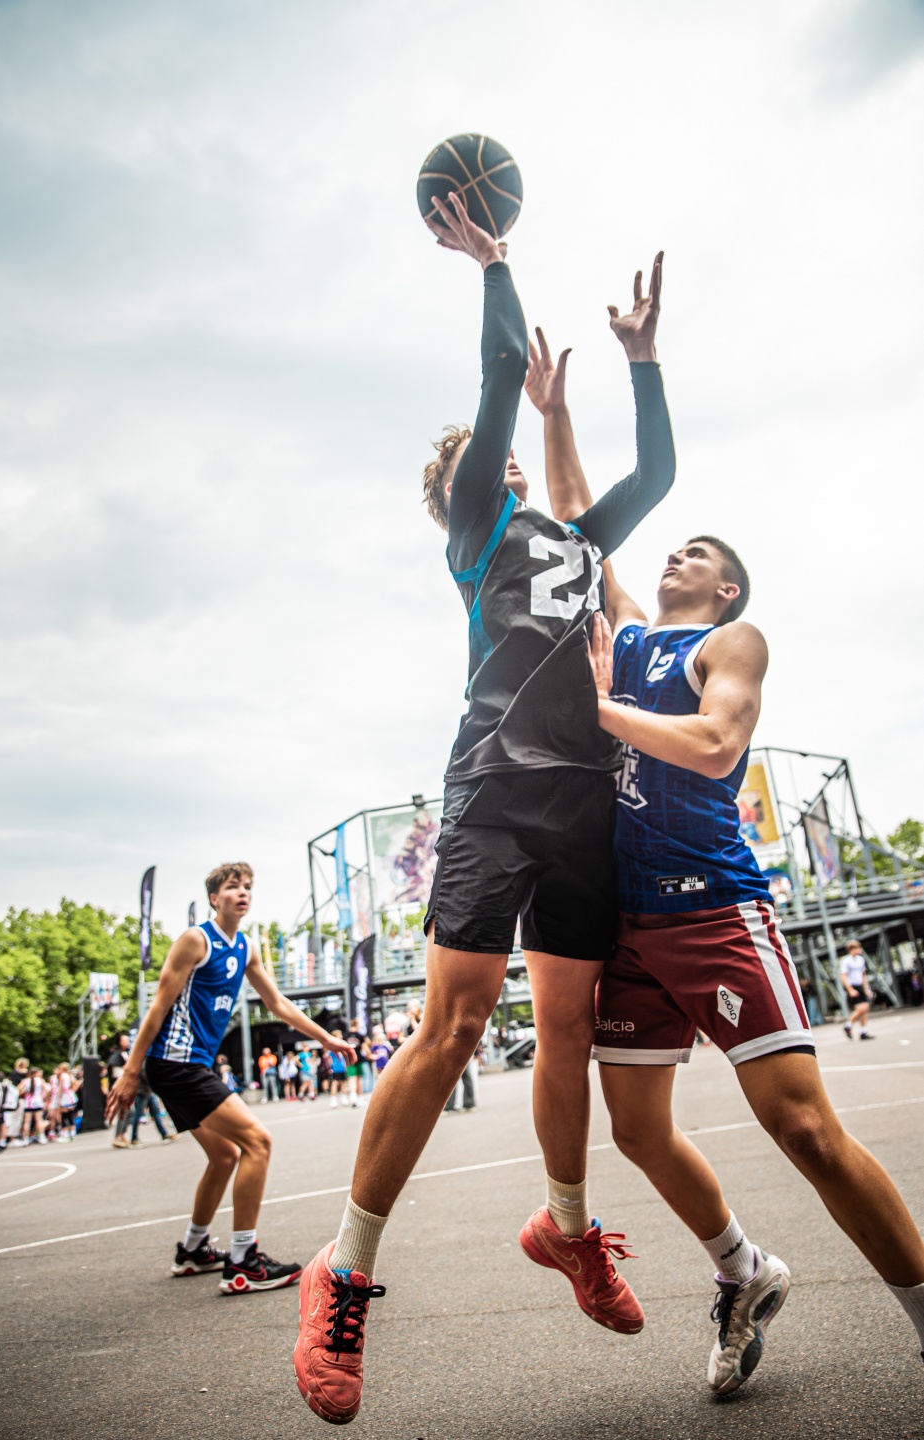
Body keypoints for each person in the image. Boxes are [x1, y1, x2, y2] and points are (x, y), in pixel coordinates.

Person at [293, 193, 675, 1427]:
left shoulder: (575, 539)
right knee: (453, 1025)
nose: (504, 459)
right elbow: (500, 375)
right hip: (497, 794)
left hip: (583, 808)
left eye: (505, 455)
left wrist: (641, 362)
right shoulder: (475, 537)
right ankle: (343, 1271)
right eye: (485, 457)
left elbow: (659, 474)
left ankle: (566, 1228)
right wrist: (495, 266)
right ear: (460, 488)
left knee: (565, 1029)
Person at [534, 364, 924, 1396]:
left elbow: (714, 748)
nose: (676, 553)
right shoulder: (624, 636)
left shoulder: (727, 642)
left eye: (698, 552)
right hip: (626, 926)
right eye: (674, 547)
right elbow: (581, 527)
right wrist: (555, 412)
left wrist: (595, 711)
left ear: (726, 588)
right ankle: (744, 1271)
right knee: (636, 1130)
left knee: (803, 1128)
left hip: (711, 908)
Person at [105, 861, 355, 1294]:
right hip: (176, 1064)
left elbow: (277, 1003)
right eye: (233, 886)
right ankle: (243, 1263)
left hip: (191, 1065)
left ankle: (193, 1249)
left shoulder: (246, 947)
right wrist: (130, 1072)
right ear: (214, 898)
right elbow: (158, 1005)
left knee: (224, 1156)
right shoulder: (195, 940)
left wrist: (325, 1038)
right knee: (258, 1142)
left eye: (248, 886)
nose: (242, 892)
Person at [129, 1065, 176, 1145]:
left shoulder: (145, 1061)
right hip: (142, 1092)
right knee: (138, 1114)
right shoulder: (141, 1061)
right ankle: (134, 1138)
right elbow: (144, 1075)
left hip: (148, 1091)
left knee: (156, 1112)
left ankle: (164, 1134)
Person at [841, 940, 874, 1040]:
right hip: (852, 986)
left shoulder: (861, 960)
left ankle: (863, 1032)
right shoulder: (846, 960)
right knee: (862, 1008)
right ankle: (848, 1025)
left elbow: (863, 975)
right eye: (857, 948)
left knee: (865, 1009)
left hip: (860, 985)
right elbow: (844, 976)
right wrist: (850, 989)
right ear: (852, 949)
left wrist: (866, 989)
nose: (859, 950)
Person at [106, 1034, 134, 1149]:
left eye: (128, 1040)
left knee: (128, 1112)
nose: (127, 1042)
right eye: (124, 1040)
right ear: (119, 1042)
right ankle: (118, 1136)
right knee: (126, 1112)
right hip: (120, 1088)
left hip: (125, 1086)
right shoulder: (116, 1055)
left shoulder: (125, 1053)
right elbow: (115, 1072)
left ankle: (121, 1135)